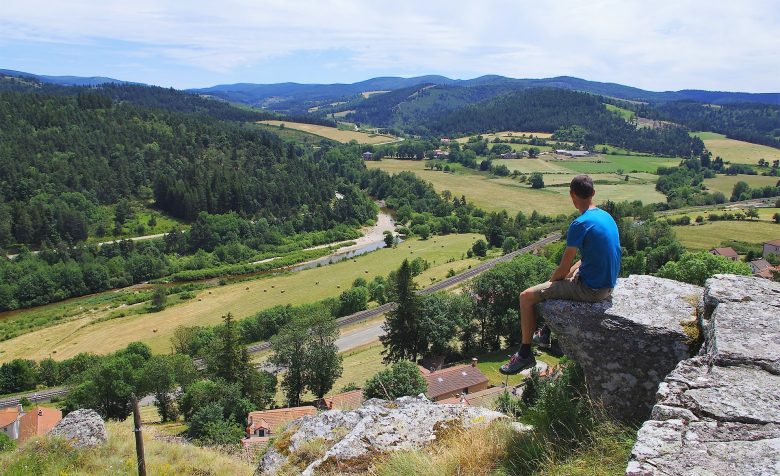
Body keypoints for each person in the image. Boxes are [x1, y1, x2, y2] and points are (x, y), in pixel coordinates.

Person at [500, 174, 621, 374]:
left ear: (572, 194)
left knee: (526, 297)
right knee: (566, 276)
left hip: (592, 290)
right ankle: (545, 332)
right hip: (608, 284)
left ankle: (524, 354)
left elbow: (563, 269)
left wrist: (552, 282)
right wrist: (568, 275)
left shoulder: (579, 224)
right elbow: (593, 256)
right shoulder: (605, 216)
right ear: (593, 193)